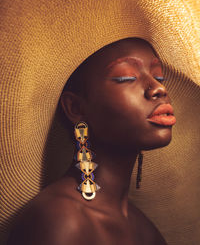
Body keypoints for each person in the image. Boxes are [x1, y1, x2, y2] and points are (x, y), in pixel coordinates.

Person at [7, 38, 174, 245]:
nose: (158, 88)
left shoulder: (148, 232)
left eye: (158, 76)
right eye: (126, 77)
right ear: (75, 108)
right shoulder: (60, 221)